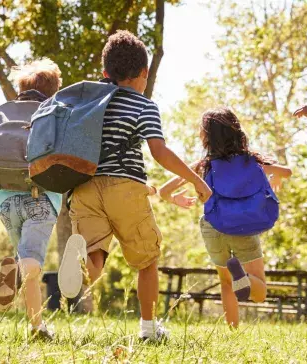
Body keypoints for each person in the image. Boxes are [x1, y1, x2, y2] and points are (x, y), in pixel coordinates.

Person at [58, 30, 212, 342]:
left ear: (105, 73)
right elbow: (159, 152)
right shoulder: (143, 105)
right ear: (143, 73)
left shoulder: (85, 102)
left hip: (84, 187)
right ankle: (148, 329)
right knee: (147, 260)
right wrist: (196, 180)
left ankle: (78, 260)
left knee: (95, 258)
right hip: (125, 188)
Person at [159, 107, 292, 328]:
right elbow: (287, 171)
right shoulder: (252, 161)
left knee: (226, 280)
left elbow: (164, 191)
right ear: (236, 132)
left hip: (214, 226)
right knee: (259, 293)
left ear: (207, 137)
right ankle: (246, 280)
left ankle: (232, 330)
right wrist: (274, 176)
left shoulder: (203, 165)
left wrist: (176, 200)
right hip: (245, 226)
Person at [0, 58, 63, 341]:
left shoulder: (1, 116)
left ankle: (37, 328)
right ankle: (18, 270)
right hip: (41, 198)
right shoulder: (54, 115)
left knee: (27, 257)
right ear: (54, 90)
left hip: (4, 201)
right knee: (31, 263)